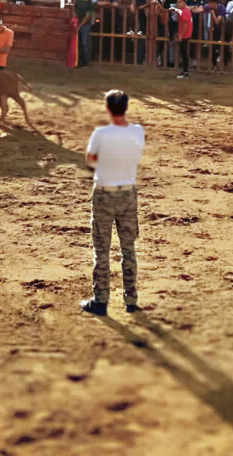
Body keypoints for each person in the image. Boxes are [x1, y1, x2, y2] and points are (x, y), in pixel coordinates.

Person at [81, 90, 145, 316]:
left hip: (104, 194)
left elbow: (90, 159)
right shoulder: (138, 132)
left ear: (108, 109)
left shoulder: (101, 134)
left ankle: (101, 299)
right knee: (129, 249)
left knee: (102, 249)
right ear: (126, 108)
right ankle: (131, 298)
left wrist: (106, 159)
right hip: (128, 194)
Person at [75, 0, 97, 67]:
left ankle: (85, 61)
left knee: (84, 43)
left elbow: (87, 17)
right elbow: (75, 10)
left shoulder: (91, 4)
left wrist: (79, 26)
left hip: (84, 25)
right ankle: (78, 59)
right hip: (77, 23)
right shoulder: (79, 0)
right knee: (78, 42)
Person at [174, 0, 193, 79]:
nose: (178, 4)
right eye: (177, 2)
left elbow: (185, 24)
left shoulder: (184, 11)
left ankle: (185, 72)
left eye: (180, 2)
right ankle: (185, 71)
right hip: (185, 34)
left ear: (184, 3)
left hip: (184, 35)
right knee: (184, 54)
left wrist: (181, 35)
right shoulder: (185, 11)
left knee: (184, 54)